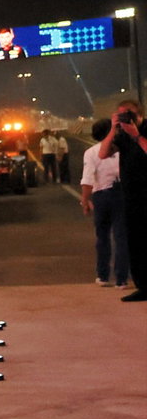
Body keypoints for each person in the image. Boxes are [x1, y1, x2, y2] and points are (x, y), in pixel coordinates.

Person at [96, 99, 147, 301]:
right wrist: (113, 128)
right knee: (135, 242)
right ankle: (143, 286)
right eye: (121, 114)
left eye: (128, 114)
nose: (126, 117)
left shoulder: (143, 129)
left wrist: (137, 135)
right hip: (130, 196)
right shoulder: (122, 135)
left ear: (139, 113)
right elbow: (102, 153)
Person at [80, 118, 128, 289]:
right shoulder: (123, 149)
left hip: (101, 195)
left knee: (102, 237)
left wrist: (85, 200)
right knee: (121, 237)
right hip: (121, 193)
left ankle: (102, 276)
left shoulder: (91, 152)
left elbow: (87, 179)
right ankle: (121, 280)